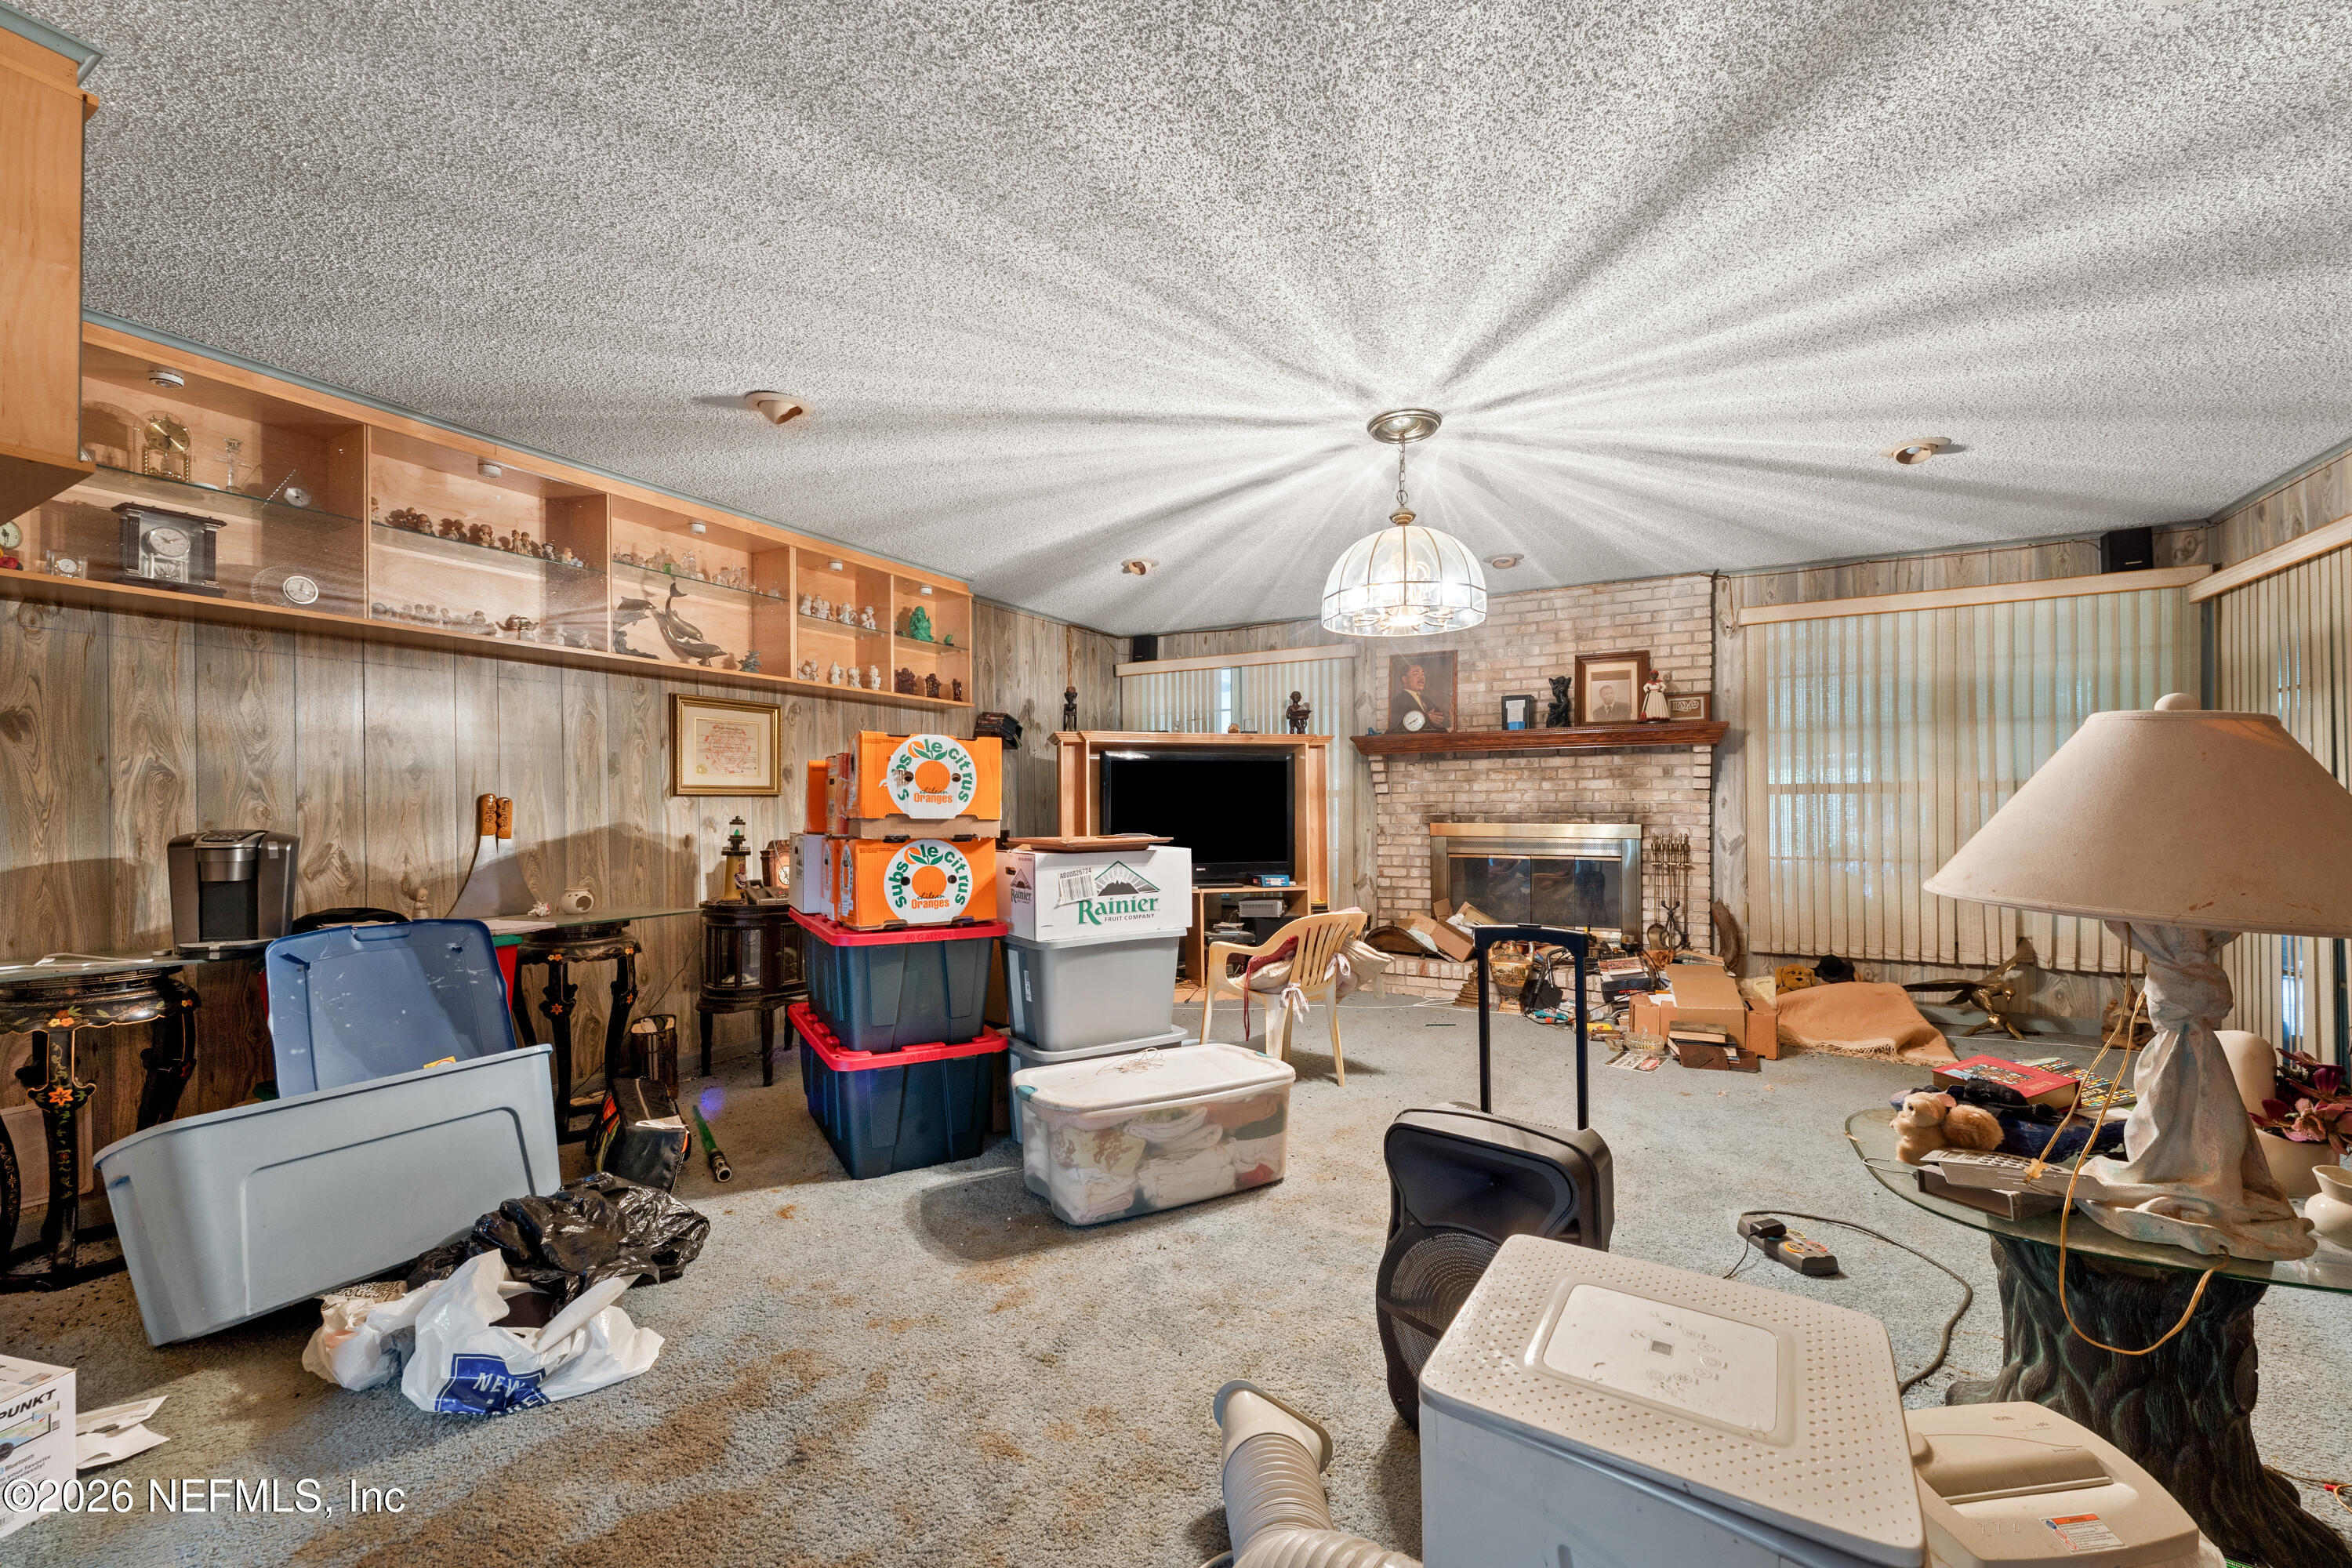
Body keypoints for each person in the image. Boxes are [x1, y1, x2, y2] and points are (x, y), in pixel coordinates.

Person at [1390, 661, 1450, 731]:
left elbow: (1443, 720)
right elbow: (1399, 727)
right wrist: (1426, 718)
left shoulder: (1427, 700)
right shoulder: (1397, 702)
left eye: (1423, 674)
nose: (1422, 677)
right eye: (1416, 674)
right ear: (1404, 679)